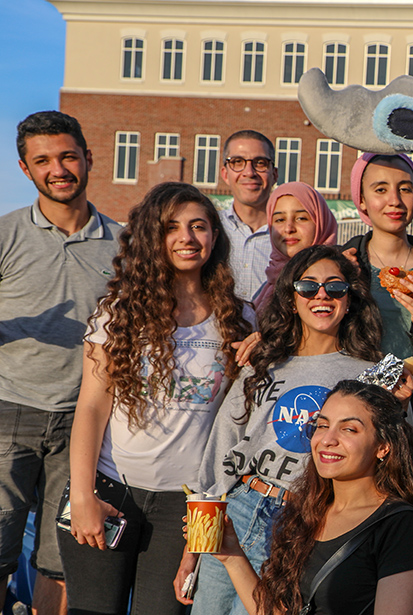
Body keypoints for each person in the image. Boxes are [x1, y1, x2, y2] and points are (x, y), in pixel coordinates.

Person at [60, 182, 253, 614]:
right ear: (153, 238)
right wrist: (82, 495)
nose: (187, 237)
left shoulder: (241, 319)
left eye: (198, 226)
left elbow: (239, 424)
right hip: (109, 492)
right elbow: (90, 409)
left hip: (185, 507)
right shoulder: (118, 312)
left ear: (214, 236)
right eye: (172, 228)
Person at [176, 245, 386, 615]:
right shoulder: (264, 362)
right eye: (308, 287)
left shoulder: (366, 373)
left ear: (350, 300)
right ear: (291, 299)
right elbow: (224, 446)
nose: (322, 295)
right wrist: (191, 550)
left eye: (335, 288)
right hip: (237, 510)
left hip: (301, 520)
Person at [0, 110, 120, 615]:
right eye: (43, 160)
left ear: (88, 159)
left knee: (61, 560)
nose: (59, 168)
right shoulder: (5, 236)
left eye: (68, 156)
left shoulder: (125, 244)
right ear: (26, 169)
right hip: (8, 413)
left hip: (84, 424)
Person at [213, 379, 413, 615]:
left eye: (349, 429)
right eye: (321, 426)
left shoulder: (400, 524)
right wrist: (232, 556)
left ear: (383, 447)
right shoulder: (309, 510)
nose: (328, 440)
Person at [341, 152, 413, 539]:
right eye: (380, 189)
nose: (394, 200)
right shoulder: (345, 264)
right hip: (354, 408)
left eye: (405, 188)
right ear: (361, 200)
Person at [251, 182, 338, 311]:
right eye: (280, 220)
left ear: (320, 223)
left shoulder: (338, 285)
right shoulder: (267, 289)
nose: (289, 228)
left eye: (301, 218)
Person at [219, 130, 278, 302]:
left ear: (274, 174)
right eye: (237, 162)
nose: (249, 172)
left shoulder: (290, 237)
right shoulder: (209, 229)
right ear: (225, 174)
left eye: (260, 163)